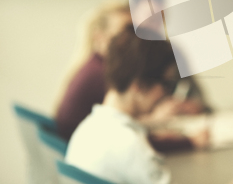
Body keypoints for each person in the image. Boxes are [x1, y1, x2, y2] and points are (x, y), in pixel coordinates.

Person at [65, 24, 209, 184]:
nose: (166, 94)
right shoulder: (132, 147)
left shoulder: (86, 130)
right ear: (139, 86)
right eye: (166, 84)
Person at [55, 0, 131, 141]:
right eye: (126, 31)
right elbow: (129, 128)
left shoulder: (92, 65)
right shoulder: (100, 74)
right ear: (99, 37)